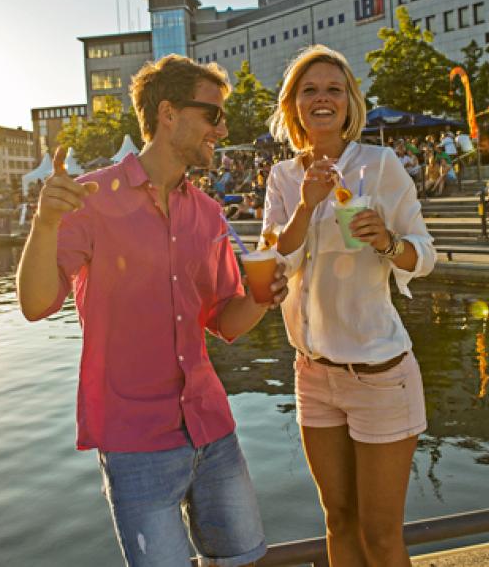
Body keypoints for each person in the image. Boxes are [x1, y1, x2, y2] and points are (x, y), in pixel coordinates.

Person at [16, 54, 289, 567]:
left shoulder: (207, 213)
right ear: (168, 113)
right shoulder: (92, 198)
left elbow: (225, 321)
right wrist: (45, 223)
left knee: (244, 562)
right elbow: (35, 304)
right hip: (134, 440)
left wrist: (262, 297)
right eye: (212, 114)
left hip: (212, 429)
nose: (222, 128)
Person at [263, 45, 435, 566]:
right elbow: (276, 262)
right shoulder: (281, 178)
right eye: (309, 90)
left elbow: (423, 254)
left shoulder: (379, 166)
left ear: (349, 102)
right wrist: (305, 205)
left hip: (379, 374)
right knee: (338, 520)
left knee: (381, 535)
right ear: (293, 105)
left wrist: (385, 240)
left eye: (333, 89)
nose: (322, 98)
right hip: (313, 374)